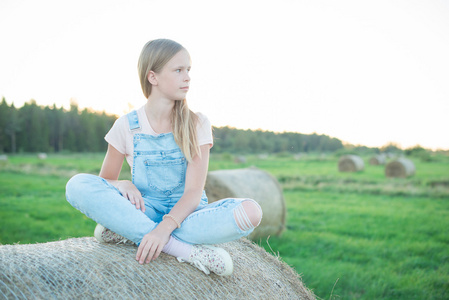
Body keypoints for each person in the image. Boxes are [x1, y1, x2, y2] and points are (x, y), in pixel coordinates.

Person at [65, 39, 262, 276]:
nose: (187, 77)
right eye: (178, 70)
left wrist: (164, 228)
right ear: (153, 77)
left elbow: (193, 193)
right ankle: (182, 250)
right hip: (146, 209)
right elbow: (105, 180)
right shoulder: (126, 126)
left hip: (189, 217)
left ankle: (132, 232)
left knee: (252, 211)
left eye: (189, 70)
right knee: (76, 185)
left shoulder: (197, 123)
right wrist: (122, 183)